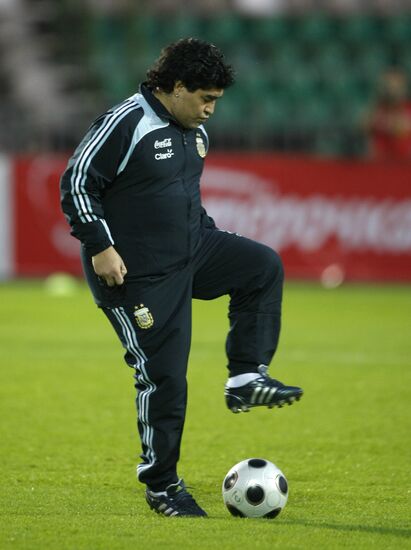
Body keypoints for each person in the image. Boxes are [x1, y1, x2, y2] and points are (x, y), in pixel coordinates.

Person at [60, 38, 303, 518]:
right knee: (164, 377)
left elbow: (181, 197)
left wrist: (207, 235)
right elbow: (76, 182)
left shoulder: (194, 133)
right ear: (174, 87)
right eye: (204, 98)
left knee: (261, 265)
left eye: (216, 100)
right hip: (138, 276)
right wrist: (101, 246)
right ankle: (162, 486)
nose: (211, 109)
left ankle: (246, 375)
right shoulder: (127, 121)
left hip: (192, 250)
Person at [364, 67, 411, 161]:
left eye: (396, 87)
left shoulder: (408, 108)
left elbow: (400, 129)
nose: (392, 91)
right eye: (389, 86)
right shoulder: (377, 108)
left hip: (404, 163)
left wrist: (383, 124)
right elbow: (364, 125)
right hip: (380, 161)